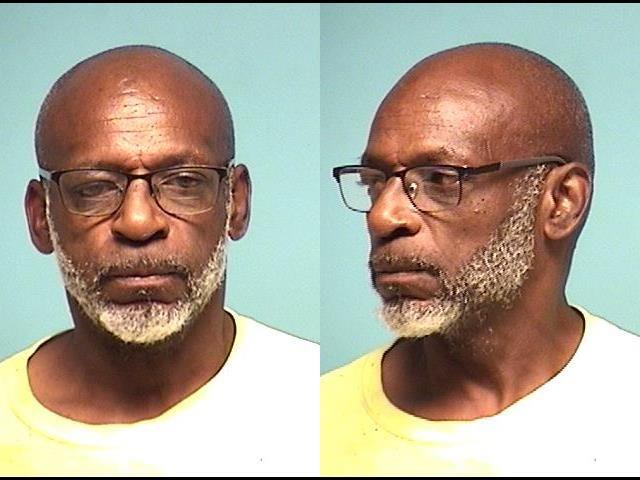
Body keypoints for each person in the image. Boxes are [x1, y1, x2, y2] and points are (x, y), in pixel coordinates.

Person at [322, 42, 640, 475]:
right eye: (374, 183)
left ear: (561, 201)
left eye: (440, 178)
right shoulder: (312, 423)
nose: (383, 216)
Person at [0, 45, 318, 475]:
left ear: (236, 204)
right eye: (94, 188)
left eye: (184, 182)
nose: (138, 222)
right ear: (40, 217)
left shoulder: (316, 401)